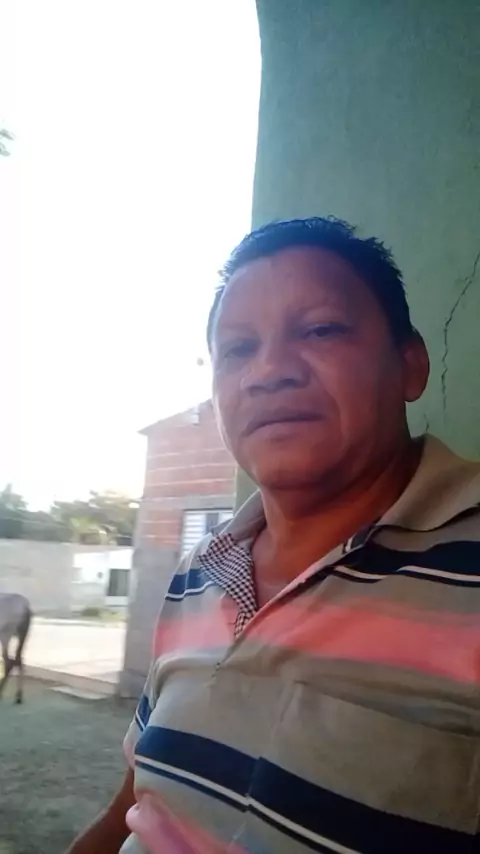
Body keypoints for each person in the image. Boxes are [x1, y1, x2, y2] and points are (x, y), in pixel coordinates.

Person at [67, 217, 480, 854]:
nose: (267, 372)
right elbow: (139, 798)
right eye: (237, 348)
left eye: (320, 329)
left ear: (410, 364)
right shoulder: (198, 573)